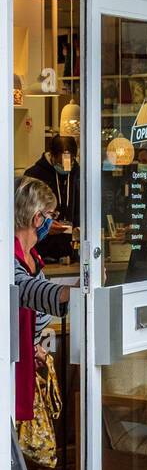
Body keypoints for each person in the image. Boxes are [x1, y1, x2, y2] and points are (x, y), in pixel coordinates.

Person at [13, 177, 74, 427]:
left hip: (25, 361)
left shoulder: (33, 257)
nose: (52, 222)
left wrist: (34, 346)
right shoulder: (9, 256)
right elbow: (23, 289)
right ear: (37, 218)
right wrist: (70, 292)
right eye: (50, 215)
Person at [23, 135, 80, 261]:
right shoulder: (34, 175)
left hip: (71, 251)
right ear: (52, 156)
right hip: (40, 251)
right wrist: (44, 225)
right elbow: (24, 214)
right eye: (60, 163)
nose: (65, 167)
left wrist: (80, 227)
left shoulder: (77, 174)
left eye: (69, 163)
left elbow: (81, 208)